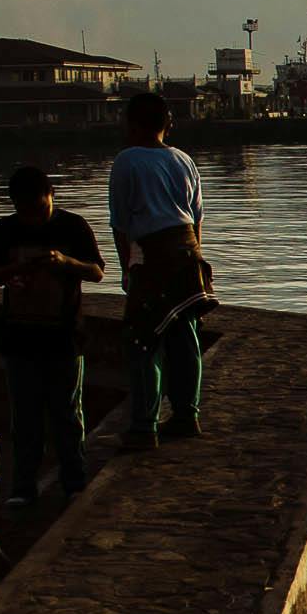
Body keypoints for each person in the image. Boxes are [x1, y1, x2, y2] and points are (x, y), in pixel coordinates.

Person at [0, 164, 105, 506]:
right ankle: (24, 487)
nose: (34, 218)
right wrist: (17, 270)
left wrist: (65, 262)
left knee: (67, 413)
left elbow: (96, 271)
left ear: (52, 197)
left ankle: (74, 482)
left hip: (64, 336)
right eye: (27, 212)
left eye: (40, 209)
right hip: (19, 337)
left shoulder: (73, 226)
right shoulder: (4, 230)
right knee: (25, 417)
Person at [107, 88, 213, 448]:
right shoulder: (184, 160)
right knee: (186, 337)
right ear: (168, 124)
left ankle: (144, 425)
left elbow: (120, 223)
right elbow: (196, 219)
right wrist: (196, 257)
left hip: (154, 256)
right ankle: (187, 414)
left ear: (132, 124)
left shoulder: (127, 161)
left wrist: (127, 269)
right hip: (188, 253)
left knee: (143, 339)